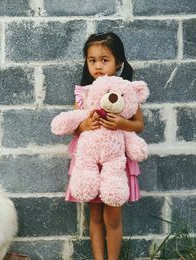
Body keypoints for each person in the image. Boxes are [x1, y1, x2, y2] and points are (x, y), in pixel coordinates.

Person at [66, 32, 145, 260]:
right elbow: (73, 125)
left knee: (113, 217)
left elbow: (139, 125)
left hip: (115, 162)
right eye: (92, 60)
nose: (98, 66)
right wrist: (84, 125)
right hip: (89, 162)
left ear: (118, 63)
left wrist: (122, 123)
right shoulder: (83, 94)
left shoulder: (125, 92)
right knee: (96, 217)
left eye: (104, 60)